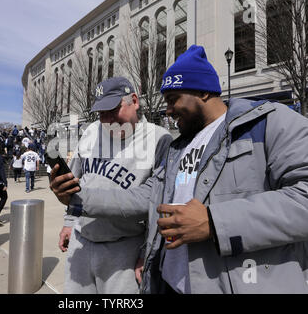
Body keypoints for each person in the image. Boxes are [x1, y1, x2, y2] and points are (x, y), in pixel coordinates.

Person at [51, 45, 308, 294]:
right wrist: (76, 199)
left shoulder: (270, 122)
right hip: (170, 283)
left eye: (173, 99)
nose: (168, 110)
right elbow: (144, 197)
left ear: (204, 92)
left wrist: (214, 222)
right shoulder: (178, 148)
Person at [49, 77, 171, 294]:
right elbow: (75, 178)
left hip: (125, 250)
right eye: (101, 113)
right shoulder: (91, 131)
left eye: (113, 109)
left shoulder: (159, 138)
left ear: (134, 101)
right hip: (81, 241)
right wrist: (69, 222)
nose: (106, 119)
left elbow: (158, 204)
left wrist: (147, 252)